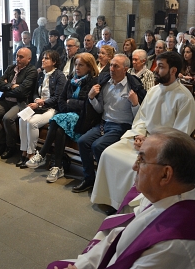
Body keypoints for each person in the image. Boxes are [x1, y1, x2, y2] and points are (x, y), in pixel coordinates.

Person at [47, 128, 195, 269]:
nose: (134, 167)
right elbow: (120, 238)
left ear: (165, 175)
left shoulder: (174, 243)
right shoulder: (164, 196)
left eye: (142, 160)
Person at [91, 51, 195, 212]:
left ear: (173, 70)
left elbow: (180, 136)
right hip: (143, 139)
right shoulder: (153, 91)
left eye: (161, 67)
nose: (155, 70)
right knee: (108, 153)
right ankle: (110, 200)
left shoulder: (185, 98)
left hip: (163, 150)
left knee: (132, 166)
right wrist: (139, 135)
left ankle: (128, 209)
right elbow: (141, 118)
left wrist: (150, 143)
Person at [73, 54, 145, 193]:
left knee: (98, 146)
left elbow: (139, 119)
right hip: (104, 124)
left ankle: (106, 184)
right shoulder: (105, 83)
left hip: (122, 126)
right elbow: (100, 109)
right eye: (111, 65)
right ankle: (89, 179)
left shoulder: (132, 87)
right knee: (83, 141)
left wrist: (135, 103)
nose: (111, 69)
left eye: (115, 66)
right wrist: (91, 97)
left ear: (125, 69)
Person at [26, 53, 101, 183]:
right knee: (60, 128)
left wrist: (70, 103)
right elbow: (61, 99)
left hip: (84, 119)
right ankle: (57, 166)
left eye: (81, 65)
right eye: (76, 64)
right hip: (67, 116)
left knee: (57, 120)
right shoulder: (72, 78)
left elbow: (88, 105)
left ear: (89, 67)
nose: (77, 67)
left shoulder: (94, 82)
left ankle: (42, 154)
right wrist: (68, 106)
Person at [0, 47, 38, 159]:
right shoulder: (11, 68)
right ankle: (2, 143)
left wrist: (6, 87)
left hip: (20, 103)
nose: (17, 59)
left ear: (29, 59)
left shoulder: (31, 71)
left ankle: (11, 146)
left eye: (21, 57)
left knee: (7, 118)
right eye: (17, 56)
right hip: (6, 100)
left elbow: (22, 91)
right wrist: (11, 86)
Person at [18, 50, 66, 168]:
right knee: (22, 119)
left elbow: (58, 97)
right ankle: (24, 151)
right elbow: (34, 93)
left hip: (51, 108)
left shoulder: (60, 76)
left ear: (54, 62)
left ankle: (32, 154)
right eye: (43, 58)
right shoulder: (41, 74)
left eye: (46, 58)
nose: (43, 60)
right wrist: (36, 100)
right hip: (38, 106)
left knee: (32, 122)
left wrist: (42, 103)